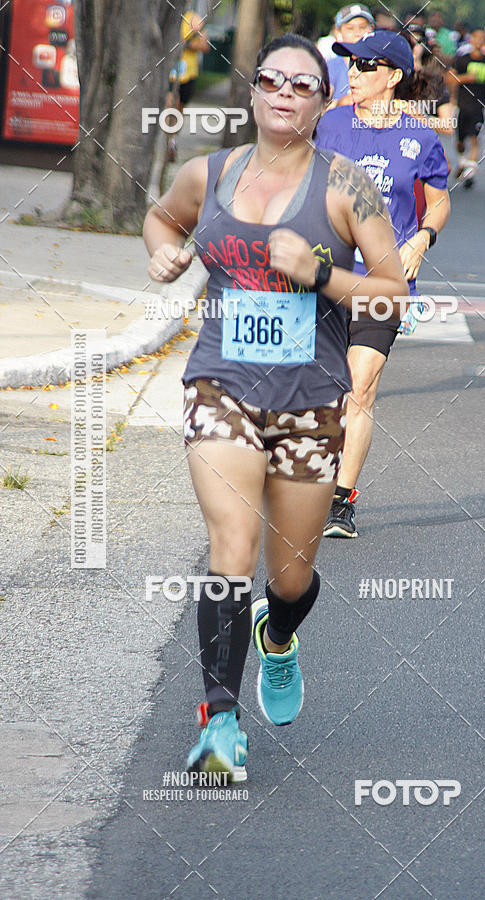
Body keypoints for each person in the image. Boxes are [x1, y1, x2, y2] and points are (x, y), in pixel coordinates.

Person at [143, 33, 408, 777]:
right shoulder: (210, 173)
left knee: (289, 576)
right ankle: (219, 723)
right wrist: (161, 253)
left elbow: (391, 289)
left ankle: (279, 635)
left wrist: (323, 272)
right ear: (253, 92)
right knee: (230, 542)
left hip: (309, 400)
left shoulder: (346, 186)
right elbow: (163, 218)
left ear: (324, 103)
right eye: (271, 80)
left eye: (303, 84)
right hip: (220, 384)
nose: (285, 93)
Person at [315, 30, 450, 538]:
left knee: (361, 386)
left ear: (393, 76)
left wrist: (423, 237)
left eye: (366, 66)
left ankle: (341, 501)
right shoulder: (326, 126)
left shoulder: (420, 137)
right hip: (325, 276)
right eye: (350, 63)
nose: (354, 71)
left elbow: (438, 200)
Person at [450, 29, 485, 188]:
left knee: (475, 138)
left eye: (482, 39)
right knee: (460, 142)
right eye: (476, 38)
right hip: (462, 105)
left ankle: (470, 173)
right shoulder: (462, 59)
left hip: (479, 106)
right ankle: (463, 162)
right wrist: (466, 78)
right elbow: (450, 78)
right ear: (471, 40)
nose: (479, 41)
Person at [167, 9, 209, 162]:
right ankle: (168, 142)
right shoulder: (168, 15)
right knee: (170, 105)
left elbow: (205, 46)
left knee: (179, 109)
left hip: (189, 73)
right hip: (171, 72)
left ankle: (173, 139)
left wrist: (188, 45)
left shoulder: (194, 19)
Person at [327, 4, 375, 105]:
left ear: (372, 29)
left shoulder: (379, 63)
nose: (357, 33)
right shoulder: (330, 67)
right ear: (338, 32)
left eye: (362, 27)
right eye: (350, 28)